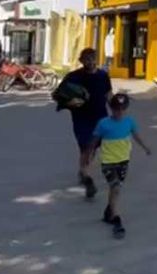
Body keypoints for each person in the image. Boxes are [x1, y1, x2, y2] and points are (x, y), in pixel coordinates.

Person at [89, 93, 151, 239]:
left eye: (123, 109)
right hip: (108, 161)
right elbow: (95, 141)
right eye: (116, 109)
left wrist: (145, 147)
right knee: (115, 187)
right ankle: (116, 219)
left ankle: (108, 212)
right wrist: (90, 156)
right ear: (111, 108)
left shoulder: (129, 122)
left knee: (115, 189)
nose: (119, 112)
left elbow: (136, 135)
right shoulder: (103, 123)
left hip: (123, 161)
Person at [59, 48, 113, 197]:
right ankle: (86, 175)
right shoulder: (74, 76)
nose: (90, 62)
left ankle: (84, 171)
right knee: (86, 146)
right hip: (81, 118)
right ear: (81, 61)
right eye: (87, 59)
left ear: (96, 59)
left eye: (92, 58)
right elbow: (60, 94)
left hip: (100, 117)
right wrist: (70, 102)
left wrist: (116, 110)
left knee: (92, 147)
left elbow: (108, 94)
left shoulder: (103, 76)